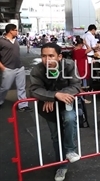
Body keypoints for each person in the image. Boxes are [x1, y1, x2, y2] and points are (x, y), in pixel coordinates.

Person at [29, 42, 81, 181]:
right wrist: (53, 96)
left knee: (70, 119)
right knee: (56, 137)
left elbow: (76, 85)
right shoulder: (38, 70)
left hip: (67, 104)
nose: (47, 60)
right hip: (48, 109)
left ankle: (70, 150)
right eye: (44, 56)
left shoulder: (69, 65)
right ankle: (61, 166)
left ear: (59, 57)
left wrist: (54, 95)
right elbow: (34, 89)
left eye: (51, 55)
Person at [0, 24, 30, 111]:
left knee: (21, 87)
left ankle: (23, 105)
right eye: (16, 30)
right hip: (8, 69)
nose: (17, 32)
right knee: (5, 87)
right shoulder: (1, 41)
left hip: (19, 68)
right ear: (10, 31)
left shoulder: (15, 40)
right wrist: (2, 68)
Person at [72, 39, 92, 103]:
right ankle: (82, 99)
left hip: (78, 68)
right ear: (81, 44)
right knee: (82, 85)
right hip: (82, 69)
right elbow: (90, 49)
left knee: (79, 84)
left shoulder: (74, 49)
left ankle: (81, 99)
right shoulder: (80, 50)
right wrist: (86, 43)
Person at [82, 24, 98, 90]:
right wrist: (98, 46)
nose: (95, 32)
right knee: (90, 73)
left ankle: (85, 86)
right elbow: (93, 47)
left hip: (84, 56)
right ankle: (89, 88)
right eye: (95, 31)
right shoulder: (91, 36)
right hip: (90, 57)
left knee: (85, 72)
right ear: (93, 30)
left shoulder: (84, 35)